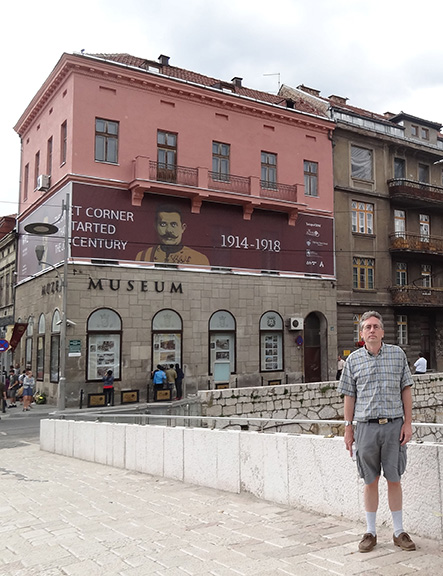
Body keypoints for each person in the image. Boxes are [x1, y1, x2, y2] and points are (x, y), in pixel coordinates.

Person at [338, 310, 416, 553]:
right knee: (370, 480)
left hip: (394, 427)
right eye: (367, 327)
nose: (372, 330)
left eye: (375, 326)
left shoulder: (397, 354)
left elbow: (406, 389)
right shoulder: (353, 361)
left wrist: (408, 423)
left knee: (394, 479)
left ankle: (398, 531)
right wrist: (348, 428)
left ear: (382, 331)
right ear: (361, 334)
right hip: (366, 428)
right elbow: (349, 396)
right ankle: (370, 532)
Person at [135, 205, 210, 266]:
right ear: (156, 226)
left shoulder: (199, 259)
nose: (168, 230)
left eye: (173, 224)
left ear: (182, 228)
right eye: (163, 224)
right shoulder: (143, 256)